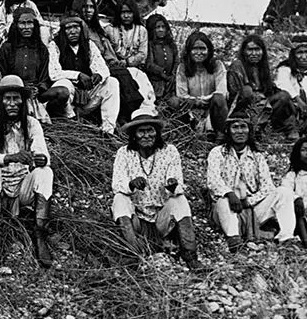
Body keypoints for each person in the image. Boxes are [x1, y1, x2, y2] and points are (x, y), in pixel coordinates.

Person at [111, 105, 202, 270]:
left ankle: (190, 255)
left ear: (157, 132)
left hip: (162, 218)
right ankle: (133, 253)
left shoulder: (170, 151)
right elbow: (116, 184)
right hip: (137, 220)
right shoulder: (123, 153)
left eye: (150, 130)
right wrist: (131, 184)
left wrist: (172, 185)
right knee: (119, 199)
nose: (147, 135)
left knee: (179, 200)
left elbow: (178, 183)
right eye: (141, 131)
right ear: (133, 135)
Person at [0, 75, 53, 267]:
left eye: (16, 99)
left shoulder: (32, 124)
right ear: (0, 101)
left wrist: (40, 158)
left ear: (23, 101)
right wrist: (10, 158)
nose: (12, 104)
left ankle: (40, 235)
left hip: (21, 187)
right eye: (7, 99)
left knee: (46, 172)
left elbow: (42, 151)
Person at [207, 112, 297, 252]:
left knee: (283, 192)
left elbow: (267, 186)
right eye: (235, 127)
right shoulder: (217, 153)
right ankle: (234, 239)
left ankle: (286, 238)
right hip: (227, 211)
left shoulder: (257, 156)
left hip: (252, 209)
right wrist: (230, 194)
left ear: (249, 130)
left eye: (243, 127)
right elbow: (213, 181)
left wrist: (249, 201)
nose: (240, 131)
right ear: (228, 131)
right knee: (222, 199)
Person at [71, 0, 145, 124]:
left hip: (105, 65)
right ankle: (129, 113)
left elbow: (107, 52)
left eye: (91, 7)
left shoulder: (96, 29)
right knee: (121, 75)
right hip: (90, 69)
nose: (88, 11)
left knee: (125, 75)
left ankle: (129, 112)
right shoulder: (75, 28)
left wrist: (114, 62)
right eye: (85, 7)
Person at [47, 13, 121, 133]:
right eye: (68, 28)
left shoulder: (89, 44)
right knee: (63, 83)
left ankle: (108, 129)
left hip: (86, 97)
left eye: (76, 27)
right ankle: (71, 119)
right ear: (63, 31)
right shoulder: (54, 45)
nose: (73, 31)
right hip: (68, 100)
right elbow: (53, 72)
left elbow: (103, 67)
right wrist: (77, 75)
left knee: (111, 82)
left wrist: (98, 75)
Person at [0, 7, 53, 123]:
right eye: (22, 23)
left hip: (35, 92)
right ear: (16, 25)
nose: (26, 27)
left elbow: (45, 76)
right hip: (13, 90)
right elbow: (2, 73)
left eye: (30, 23)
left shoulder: (41, 49)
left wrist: (39, 88)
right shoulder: (7, 48)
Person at [227, 34, 291, 138]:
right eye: (250, 50)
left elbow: (269, 89)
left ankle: (264, 127)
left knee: (284, 96)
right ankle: (254, 127)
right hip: (245, 107)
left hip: (263, 106)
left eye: (257, 50)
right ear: (244, 51)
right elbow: (235, 95)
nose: (254, 53)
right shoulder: (237, 66)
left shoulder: (262, 67)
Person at [172, 31, 229, 138]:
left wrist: (203, 100)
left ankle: (221, 134)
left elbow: (222, 91)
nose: (199, 52)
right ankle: (184, 134)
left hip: (212, 108)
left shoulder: (217, 65)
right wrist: (196, 101)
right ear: (189, 51)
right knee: (175, 101)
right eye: (195, 49)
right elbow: (181, 94)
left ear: (209, 50)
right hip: (191, 108)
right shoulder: (183, 67)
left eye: (202, 49)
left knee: (219, 98)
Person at [104, 0, 148, 69]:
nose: (126, 16)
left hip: (136, 68)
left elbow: (142, 54)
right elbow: (106, 50)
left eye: (129, 12)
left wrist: (127, 62)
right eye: (123, 12)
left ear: (134, 13)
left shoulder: (141, 30)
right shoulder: (109, 30)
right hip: (114, 68)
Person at [145, 13, 178, 102]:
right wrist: (161, 72)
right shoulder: (150, 45)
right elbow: (149, 64)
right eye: (157, 27)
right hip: (155, 82)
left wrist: (173, 74)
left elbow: (176, 61)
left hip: (170, 81)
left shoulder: (171, 45)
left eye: (163, 27)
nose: (161, 30)